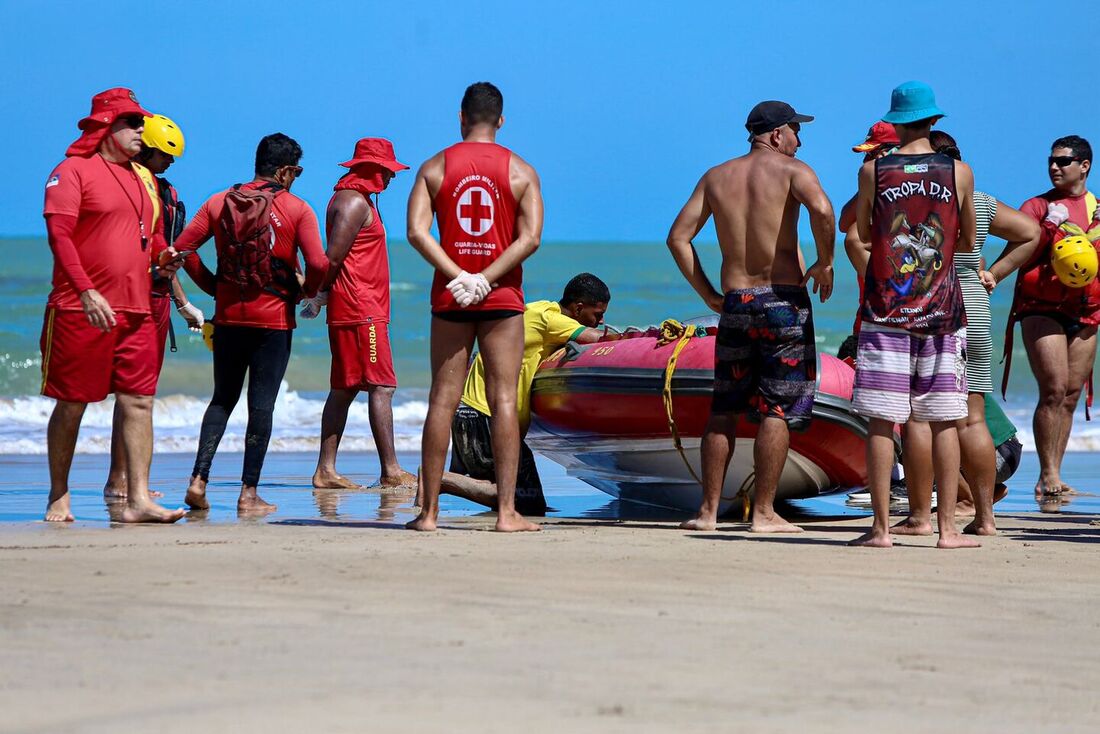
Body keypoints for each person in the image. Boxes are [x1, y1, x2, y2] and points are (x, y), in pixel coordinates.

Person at [667, 100, 835, 533]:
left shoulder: (716, 176)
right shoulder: (794, 171)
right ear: (777, 133)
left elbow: (677, 238)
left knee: (723, 408)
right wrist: (826, 261)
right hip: (783, 301)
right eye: (797, 131)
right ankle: (763, 513)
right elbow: (822, 210)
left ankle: (706, 513)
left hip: (737, 301)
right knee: (777, 409)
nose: (801, 140)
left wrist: (707, 292)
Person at [40, 87, 184, 523]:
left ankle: (137, 499)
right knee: (72, 404)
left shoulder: (142, 178)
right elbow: (60, 236)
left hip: (138, 308)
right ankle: (59, 495)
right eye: (131, 123)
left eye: (141, 123)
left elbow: (153, 236)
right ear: (105, 126)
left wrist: (163, 257)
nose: (141, 130)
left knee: (139, 402)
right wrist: (85, 290)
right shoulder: (72, 171)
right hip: (79, 308)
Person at [405, 81, 544, 532]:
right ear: (501, 120)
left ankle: (428, 514)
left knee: (441, 399)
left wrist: (460, 276)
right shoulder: (521, 170)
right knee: (503, 398)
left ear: (461, 117)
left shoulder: (434, 166)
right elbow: (530, 238)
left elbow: (417, 232)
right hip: (501, 296)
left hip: (452, 294)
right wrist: (486, 279)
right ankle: (506, 513)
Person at [891, 131, 1040, 537]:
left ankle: (921, 517)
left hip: (935, 311)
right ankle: (985, 519)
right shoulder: (979, 199)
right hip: (975, 310)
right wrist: (993, 273)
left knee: (920, 415)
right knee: (973, 419)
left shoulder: (916, 201)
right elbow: (1030, 232)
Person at [850, 82, 978, 549]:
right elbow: (966, 241)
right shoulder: (958, 172)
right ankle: (947, 532)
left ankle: (882, 530)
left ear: (897, 122)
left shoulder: (874, 170)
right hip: (943, 310)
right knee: (944, 420)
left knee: (883, 421)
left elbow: (865, 230)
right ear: (934, 120)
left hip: (886, 309)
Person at [174, 133, 327, 514]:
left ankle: (198, 481)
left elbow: (183, 248)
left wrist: (212, 286)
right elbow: (320, 264)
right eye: (298, 171)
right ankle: (248, 493)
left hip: (228, 317)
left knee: (222, 399)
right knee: (261, 407)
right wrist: (308, 292)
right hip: (273, 321)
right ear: (287, 170)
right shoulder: (297, 209)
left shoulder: (218, 201)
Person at [437, 273, 611, 514]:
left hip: (471, 413)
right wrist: (648, 337)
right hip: (487, 418)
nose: (601, 321)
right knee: (523, 501)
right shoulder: (552, 320)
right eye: (598, 314)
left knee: (530, 503)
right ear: (578, 307)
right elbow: (601, 338)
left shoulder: (535, 309)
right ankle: (440, 479)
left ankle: (444, 479)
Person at [303, 137, 416, 491]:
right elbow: (332, 258)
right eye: (387, 170)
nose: (391, 178)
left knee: (345, 388)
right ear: (372, 169)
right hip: (360, 309)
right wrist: (319, 294)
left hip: (357, 307)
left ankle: (325, 469)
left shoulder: (356, 199)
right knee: (382, 386)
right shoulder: (353, 202)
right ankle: (391, 470)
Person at [103, 113, 204, 500]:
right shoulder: (127, 189)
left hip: (159, 297)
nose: (170, 163)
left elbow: (169, 254)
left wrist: (183, 302)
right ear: (146, 149)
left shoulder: (167, 193)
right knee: (130, 391)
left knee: (141, 391)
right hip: (132, 296)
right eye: (165, 155)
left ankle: (128, 479)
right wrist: (183, 303)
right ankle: (118, 480)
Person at [1005, 135, 1099, 497]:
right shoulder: (1036, 206)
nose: (1054, 167)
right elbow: (1020, 255)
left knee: (1072, 394)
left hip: (1086, 310)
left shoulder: (1096, 207)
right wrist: (1048, 228)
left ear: (1084, 165)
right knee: (1054, 389)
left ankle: (1055, 475)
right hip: (1041, 308)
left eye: (1063, 161)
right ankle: (1046, 475)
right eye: (1051, 161)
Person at [838, 121, 900, 363]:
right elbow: (843, 221)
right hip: (868, 313)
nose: (867, 162)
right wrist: (868, 184)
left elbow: (852, 236)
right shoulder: (872, 191)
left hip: (893, 314)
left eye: (873, 154)